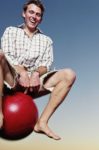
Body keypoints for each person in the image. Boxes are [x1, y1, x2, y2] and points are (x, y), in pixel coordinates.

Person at [0, 0, 76, 140]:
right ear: (24, 13)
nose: (34, 16)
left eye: (38, 14)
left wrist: (35, 74)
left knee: (69, 74)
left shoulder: (46, 40)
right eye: (31, 12)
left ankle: (42, 122)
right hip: (11, 81)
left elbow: (45, 65)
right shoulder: (11, 31)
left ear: (41, 19)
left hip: (32, 86)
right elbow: (8, 56)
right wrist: (22, 72)